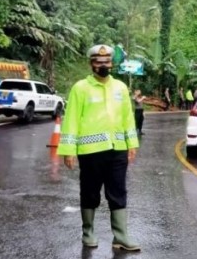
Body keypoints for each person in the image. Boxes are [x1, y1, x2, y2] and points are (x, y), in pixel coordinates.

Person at [57, 44, 141, 251]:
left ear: (112, 64)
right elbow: (72, 119)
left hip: (118, 149)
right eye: (98, 62)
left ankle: (120, 237)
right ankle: (88, 233)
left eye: (106, 62)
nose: (103, 65)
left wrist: (132, 144)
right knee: (90, 192)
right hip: (91, 152)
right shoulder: (80, 88)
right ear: (91, 64)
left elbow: (127, 118)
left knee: (118, 192)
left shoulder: (120, 87)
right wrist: (68, 150)